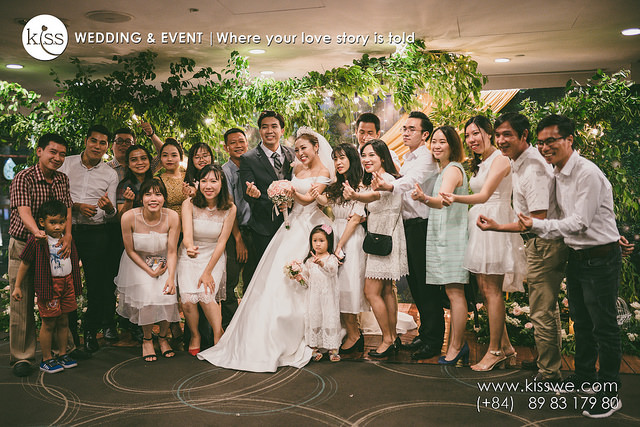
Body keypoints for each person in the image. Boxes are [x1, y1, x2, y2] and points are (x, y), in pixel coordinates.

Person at [518, 114, 630, 418]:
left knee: (604, 327)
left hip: (600, 258)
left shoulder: (586, 173)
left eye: (550, 141)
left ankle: (609, 393)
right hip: (578, 257)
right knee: (581, 324)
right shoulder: (557, 172)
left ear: (569, 139)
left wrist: (537, 225)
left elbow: (580, 222)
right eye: (540, 143)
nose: (544, 147)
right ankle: (584, 379)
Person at [198, 127, 332, 372]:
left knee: (305, 275)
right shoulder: (297, 168)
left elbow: (308, 200)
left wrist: (291, 190)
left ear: (316, 147)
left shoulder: (324, 172)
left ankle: (311, 332)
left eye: (304, 148)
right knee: (273, 276)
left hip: (310, 226)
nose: (300, 153)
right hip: (290, 223)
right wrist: (281, 197)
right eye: (297, 149)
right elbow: (293, 200)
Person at [476, 113, 568, 382]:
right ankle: (547, 363)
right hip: (538, 241)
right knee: (545, 307)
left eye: (507, 134)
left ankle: (549, 373)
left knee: (542, 310)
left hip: (545, 242)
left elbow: (536, 220)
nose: (501, 140)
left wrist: (497, 227)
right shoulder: (518, 162)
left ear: (524, 135)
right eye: (498, 135)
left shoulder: (533, 168)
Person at [441, 116, 526, 371]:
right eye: (467, 135)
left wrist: (453, 197)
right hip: (481, 225)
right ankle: (506, 347)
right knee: (485, 290)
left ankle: (494, 351)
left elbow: (485, 195)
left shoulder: (500, 159)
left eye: (475, 133)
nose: (471, 140)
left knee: (492, 291)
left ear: (489, 133)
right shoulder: (483, 162)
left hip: (494, 223)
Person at [371, 111, 440, 360]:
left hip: (422, 225)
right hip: (408, 226)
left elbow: (411, 181)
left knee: (426, 285)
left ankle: (434, 341)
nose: (406, 133)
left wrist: (390, 185)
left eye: (412, 129)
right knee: (416, 285)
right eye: (404, 128)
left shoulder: (427, 158)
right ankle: (426, 333)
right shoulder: (407, 157)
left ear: (425, 135)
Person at [8, 132, 77, 377]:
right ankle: (22, 356)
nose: (57, 158)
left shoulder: (62, 179)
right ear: (40, 151)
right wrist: (37, 233)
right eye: (52, 152)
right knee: (22, 300)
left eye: (62, 154)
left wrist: (67, 235)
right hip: (25, 243)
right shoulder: (24, 177)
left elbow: (67, 208)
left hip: (54, 246)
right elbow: (24, 210)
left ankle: (61, 351)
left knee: (55, 297)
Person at [343, 139, 408, 358]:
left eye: (372, 155)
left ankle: (387, 338)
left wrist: (355, 195)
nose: (366, 159)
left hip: (383, 239)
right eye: (364, 155)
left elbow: (374, 196)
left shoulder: (386, 179)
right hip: (384, 237)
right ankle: (392, 337)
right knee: (387, 290)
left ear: (382, 157)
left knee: (371, 292)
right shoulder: (375, 178)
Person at [412, 126, 470, 365]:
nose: (436, 146)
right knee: (452, 292)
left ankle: (456, 347)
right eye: (434, 141)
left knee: (455, 293)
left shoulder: (453, 169)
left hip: (453, 239)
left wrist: (423, 198)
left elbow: (443, 200)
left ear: (452, 145)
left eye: (442, 142)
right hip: (445, 236)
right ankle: (457, 344)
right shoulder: (444, 170)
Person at [59, 124, 119, 354]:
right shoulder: (66, 163)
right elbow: (56, 196)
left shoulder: (110, 174)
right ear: (86, 141)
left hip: (96, 233)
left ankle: (90, 331)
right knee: (66, 284)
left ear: (107, 147)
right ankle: (70, 336)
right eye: (94, 140)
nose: (97, 146)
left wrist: (109, 208)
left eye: (103, 143)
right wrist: (76, 207)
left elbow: (111, 214)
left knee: (97, 286)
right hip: (67, 232)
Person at [12, 200, 83, 373]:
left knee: (64, 321)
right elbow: (25, 263)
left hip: (67, 283)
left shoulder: (66, 239)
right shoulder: (37, 240)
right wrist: (17, 286)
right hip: (49, 286)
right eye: (53, 222)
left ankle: (63, 354)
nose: (58, 226)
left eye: (61, 222)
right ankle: (46, 359)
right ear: (42, 222)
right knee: (49, 323)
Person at [114, 178, 181, 362]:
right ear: (141, 198)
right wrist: (149, 271)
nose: (153, 199)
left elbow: (172, 251)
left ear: (164, 198)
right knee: (147, 298)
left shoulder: (172, 217)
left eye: (158, 194)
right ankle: (147, 339)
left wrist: (170, 277)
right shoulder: (129, 217)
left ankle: (163, 337)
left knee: (168, 297)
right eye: (148, 194)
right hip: (137, 262)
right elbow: (130, 250)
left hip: (164, 261)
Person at [310, 143, 368, 354]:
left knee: (349, 285)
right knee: (336, 285)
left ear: (352, 159)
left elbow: (355, 219)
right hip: (335, 235)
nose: (338, 162)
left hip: (351, 238)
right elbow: (325, 201)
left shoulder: (361, 187)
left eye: (342, 157)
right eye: (335, 159)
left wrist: (340, 246)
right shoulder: (337, 186)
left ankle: (354, 334)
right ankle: (350, 331)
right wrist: (314, 189)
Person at [178, 164, 236, 355]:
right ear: (198, 183)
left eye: (213, 181)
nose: (208, 186)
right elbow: (187, 235)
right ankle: (195, 335)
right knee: (187, 301)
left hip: (213, 256)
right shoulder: (189, 203)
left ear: (221, 183)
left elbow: (222, 242)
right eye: (204, 181)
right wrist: (189, 246)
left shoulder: (230, 208)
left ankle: (218, 334)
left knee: (206, 296)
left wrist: (207, 271)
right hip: (190, 255)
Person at [240, 110, 296, 264]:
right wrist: (254, 194)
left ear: (282, 130)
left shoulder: (293, 154)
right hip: (264, 228)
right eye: (265, 127)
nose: (269, 131)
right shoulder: (248, 159)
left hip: (294, 223)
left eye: (274, 126)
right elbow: (247, 193)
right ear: (260, 131)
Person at [221, 128, 256, 328]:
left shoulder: (253, 166)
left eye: (241, 141)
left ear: (247, 143)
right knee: (230, 281)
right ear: (226, 147)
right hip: (236, 231)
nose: (238, 145)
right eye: (233, 143)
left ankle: (250, 323)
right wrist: (238, 238)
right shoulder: (225, 172)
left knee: (253, 279)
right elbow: (229, 206)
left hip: (255, 230)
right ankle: (230, 325)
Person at [302, 224, 341, 362]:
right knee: (315, 318)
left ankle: (333, 349)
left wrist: (322, 264)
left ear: (329, 242)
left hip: (328, 297)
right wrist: (299, 277)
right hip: (314, 298)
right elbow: (307, 281)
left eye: (321, 240)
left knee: (330, 319)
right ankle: (314, 349)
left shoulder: (331, 258)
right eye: (315, 241)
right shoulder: (309, 261)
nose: (317, 244)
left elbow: (332, 271)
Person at [117, 144, 155, 216]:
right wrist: (128, 202)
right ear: (128, 164)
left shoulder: (155, 182)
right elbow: (121, 218)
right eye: (134, 160)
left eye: (143, 158)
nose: (140, 162)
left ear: (149, 161)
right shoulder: (125, 186)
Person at [157, 138, 187, 217]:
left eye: (174, 155)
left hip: (191, 220)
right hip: (168, 220)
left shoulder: (188, 176)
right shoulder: (157, 181)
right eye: (165, 155)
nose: (169, 159)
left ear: (181, 157)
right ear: (160, 158)